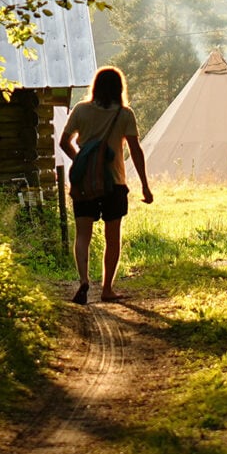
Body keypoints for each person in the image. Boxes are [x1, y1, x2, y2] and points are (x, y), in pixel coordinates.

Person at [59, 66, 153, 304]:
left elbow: (64, 142)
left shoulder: (81, 110)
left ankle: (83, 280)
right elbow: (135, 150)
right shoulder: (124, 114)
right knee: (113, 237)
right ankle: (107, 288)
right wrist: (145, 184)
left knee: (83, 235)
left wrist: (82, 162)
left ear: (96, 86)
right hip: (114, 183)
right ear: (119, 88)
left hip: (84, 184)